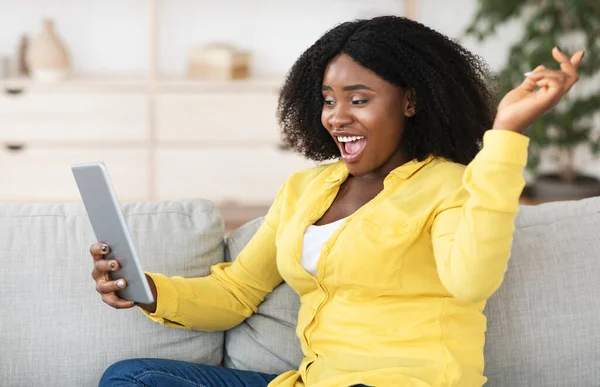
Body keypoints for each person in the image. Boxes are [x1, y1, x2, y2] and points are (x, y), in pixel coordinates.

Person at [92, 16, 584, 387]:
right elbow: (237, 293)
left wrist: (504, 135)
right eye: (329, 100)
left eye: (359, 99)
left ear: (410, 102)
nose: (337, 117)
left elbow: (471, 278)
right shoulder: (305, 190)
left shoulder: (453, 185)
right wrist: (144, 288)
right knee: (131, 378)